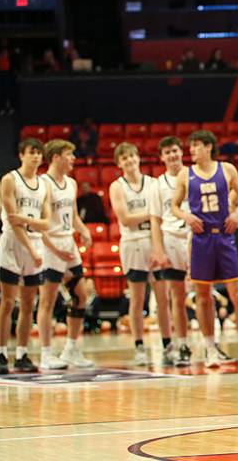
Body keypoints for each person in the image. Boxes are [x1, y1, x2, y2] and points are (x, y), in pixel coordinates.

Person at [171, 130, 238, 366]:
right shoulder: (185, 174)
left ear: (208, 147)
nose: (191, 150)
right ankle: (210, 348)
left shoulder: (227, 169)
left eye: (195, 146)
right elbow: (174, 205)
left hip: (224, 237)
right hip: (201, 240)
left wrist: (237, 213)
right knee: (203, 298)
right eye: (190, 146)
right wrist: (186, 216)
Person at [109, 143, 172, 366]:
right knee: (137, 300)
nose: (130, 161)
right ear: (119, 163)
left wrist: (150, 216)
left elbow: (164, 214)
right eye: (125, 158)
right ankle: (139, 347)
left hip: (155, 241)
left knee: (163, 298)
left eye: (132, 156)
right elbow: (125, 219)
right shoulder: (117, 187)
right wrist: (152, 214)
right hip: (133, 243)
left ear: (138, 158)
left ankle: (168, 345)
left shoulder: (153, 183)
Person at [38, 140, 94, 370]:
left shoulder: (71, 183)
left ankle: (71, 348)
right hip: (50, 246)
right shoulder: (43, 184)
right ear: (56, 157)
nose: (73, 159)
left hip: (68, 244)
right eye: (69, 155)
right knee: (48, 301)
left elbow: (71, 215)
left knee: (80, 295)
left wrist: (83, 230)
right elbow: (40, 224)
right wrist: (52, 246)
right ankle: (45, 353)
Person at [0, 139, 49, 374]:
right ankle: (1, 353)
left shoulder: (43, 185)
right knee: (8, 302)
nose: (36, 157)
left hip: (35, 243)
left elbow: (47, 223)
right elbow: (12, 219)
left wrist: (29, 221)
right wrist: (30, 248)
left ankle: (22, 354)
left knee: (29, 303)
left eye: (39, 153)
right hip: (12, 243)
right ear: (22, 155)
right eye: (32, 152)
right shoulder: (9, 179)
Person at [149, 137, 192, 367]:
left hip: (197, 239)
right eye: (167, 152)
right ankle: (180, 344)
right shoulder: (157, 185)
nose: (172, 155)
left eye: (175, 150)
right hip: (172, 240)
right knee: (177, 297)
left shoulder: (194, 176)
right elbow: (155, 220)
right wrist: (158, 250)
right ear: (162, 157)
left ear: (181, 151)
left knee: (204, 294)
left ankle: (211, 344)